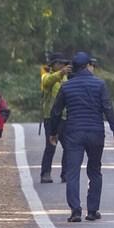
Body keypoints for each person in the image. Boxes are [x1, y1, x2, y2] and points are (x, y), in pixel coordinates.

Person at [49, 52, 114, 222]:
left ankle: (75, 210)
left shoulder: (66, 87)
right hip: (96, 132)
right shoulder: (100, 84)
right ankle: (92, 210)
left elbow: (56, 112)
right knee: (95, 170)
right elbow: (108, 108)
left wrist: (53, 132)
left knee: (72, 171)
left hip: (74, 132)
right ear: (88, 65)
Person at [39, 53, 68, 183]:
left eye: (63, 63)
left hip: (65, 117)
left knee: (68, 146)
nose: (61, 65)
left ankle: (66, 174)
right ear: (53, 64)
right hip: (50, 117)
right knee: (51, 146)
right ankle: (45, 173)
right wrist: (60, 73)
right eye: (59, 63)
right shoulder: (47, 76)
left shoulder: (66, 78)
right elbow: (47, 82)